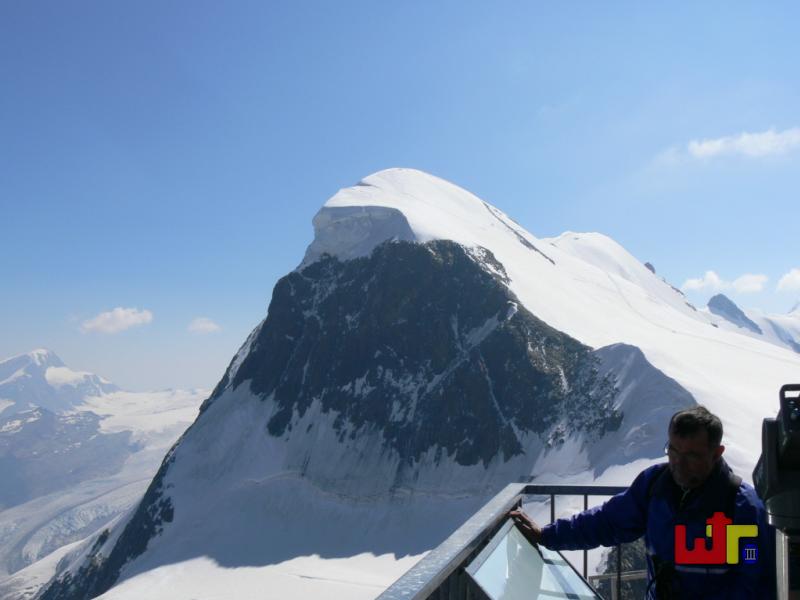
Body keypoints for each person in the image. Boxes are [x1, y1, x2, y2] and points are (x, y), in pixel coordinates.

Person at [509, 405, 775, 599]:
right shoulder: (655, 487)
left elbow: (751, 577)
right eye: (672, 450)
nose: (678, 464)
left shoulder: (741, 509)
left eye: (692, 456)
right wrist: (547, 535)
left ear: (717, 454)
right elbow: (607, 521)